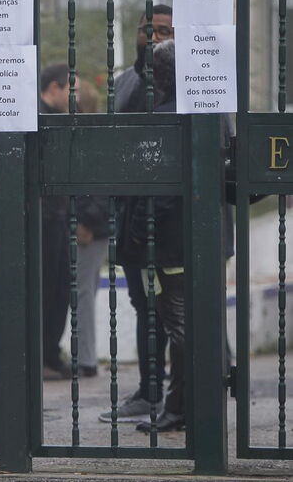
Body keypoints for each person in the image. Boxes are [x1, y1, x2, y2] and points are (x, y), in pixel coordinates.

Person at [100, 6, 174, 423]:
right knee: (143, 306)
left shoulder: (188, 79)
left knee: (175, 309)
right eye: (150, 29)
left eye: (165, 30)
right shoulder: (125, 81)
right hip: (131, 218)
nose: (156, 36)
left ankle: (182, 396)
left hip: (171, 218)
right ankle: (150, 392)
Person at [116, 39, 185, 432]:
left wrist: (140, 235)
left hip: (166, 244)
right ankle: (182, 405)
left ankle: (178, 408)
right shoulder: (196, 111)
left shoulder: (164, 117)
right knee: (182, 323)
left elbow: (155, 191)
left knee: (177, 325)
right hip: (185, 239)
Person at [71, 82, 110, 378]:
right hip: (94, 226)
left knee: (83, 291)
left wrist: (84, 223)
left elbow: (95, 188)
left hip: (90, 229)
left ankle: (86, 359)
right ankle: (83, 355)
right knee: (85, 289)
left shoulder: (87, 136)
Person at [39, 63, 72, 380]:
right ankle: (43, 354)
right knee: (45, 289)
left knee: (61, 288)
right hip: (43, 219)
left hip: (57, 217)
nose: (72, 95)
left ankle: (50, 352)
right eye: (68, 88)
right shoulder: (36, 117)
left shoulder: (58, 119)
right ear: (53, 88)